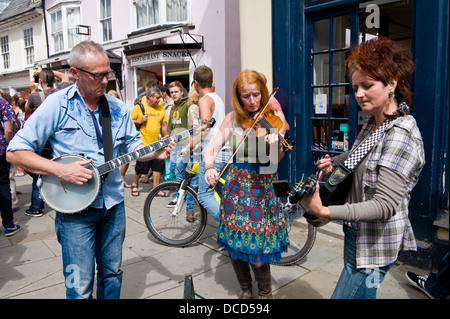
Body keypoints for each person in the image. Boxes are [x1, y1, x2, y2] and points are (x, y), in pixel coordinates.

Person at [6, 41, 173, 299]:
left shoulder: (117, 108)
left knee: (112, 274)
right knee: (79, 286)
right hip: (75, 213)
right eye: (98, 75)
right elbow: (15, 151)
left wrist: (154, 151)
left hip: (113, 206)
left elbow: (132, 144)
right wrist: (61, 171)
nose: (106, 80)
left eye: (108, 73)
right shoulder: (57, 105)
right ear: (75, 73)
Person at [301, 37, 425, 299]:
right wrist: (335, 161)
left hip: (374, 246)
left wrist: (324, 211)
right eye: (355, 86)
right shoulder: (375, 122)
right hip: (356, 233)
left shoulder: (401, 135)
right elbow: (363, 152)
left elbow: (384, 205)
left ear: (391, 83)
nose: (358, 94)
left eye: (367, 85)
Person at [204, 69, 289, 299]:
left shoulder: (273, 118)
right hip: (235, 189)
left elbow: (275, 161)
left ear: (262, 93)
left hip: (261, 191)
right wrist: (210, 166)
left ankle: (264, 294)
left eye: (256, 95)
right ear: (238, 96)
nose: (252, 101)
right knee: (236, 249)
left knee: (259, 254)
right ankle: (244, 289)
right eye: (246, 96)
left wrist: (275, 145)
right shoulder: (232, 119)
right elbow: (211, 148)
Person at [180, 65, 231, 224]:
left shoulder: (204, 100)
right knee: (222, 194)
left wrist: (187, 146)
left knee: (204, 195)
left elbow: (205, 129)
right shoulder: (217, 98)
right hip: (224, 150)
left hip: (214, 154)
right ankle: (233, 224)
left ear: (195, 83)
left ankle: (228, 229)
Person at [24, 68, 71, 217]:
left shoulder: (34, 96)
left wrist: (34, 87)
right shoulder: (61, 91)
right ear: (54, 80)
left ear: (41, 81)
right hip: (60, 139)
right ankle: (63, 199)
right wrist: (50, 71)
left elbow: (27, 108)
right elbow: (65, 76)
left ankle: (36, 207)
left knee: (39, 171)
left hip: (43, 141)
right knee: (61, 168)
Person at [130, 86, 167, 197]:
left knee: (158, 166)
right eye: (157, 98)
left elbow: (163, 125)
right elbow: (129, 122)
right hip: (144, 143)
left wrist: (165, 140)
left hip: (157, 143)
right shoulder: (139, 107)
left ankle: (156, 188)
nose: (159, 100)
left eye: (160, 98)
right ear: (150, 96)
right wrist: (139, 120)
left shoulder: (160, 108)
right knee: (141, 167)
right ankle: (135, 184)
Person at [166, 80, 190, 206]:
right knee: (172, 168)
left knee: (178, 171)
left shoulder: (187, 105)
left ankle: (178, 198)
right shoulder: (173, 107)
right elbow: (170, 125)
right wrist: (168, 139)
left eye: (176, 92)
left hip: (185, 143)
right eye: (171, 92)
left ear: (181, 92)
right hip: (175, 144)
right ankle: (189, 184)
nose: (174, 94)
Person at [1, 96, 20, 237]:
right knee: (3, 185)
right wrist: (10, 145)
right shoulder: (2, 102)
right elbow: (8, 130)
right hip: (0, 151)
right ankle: (8, 224)